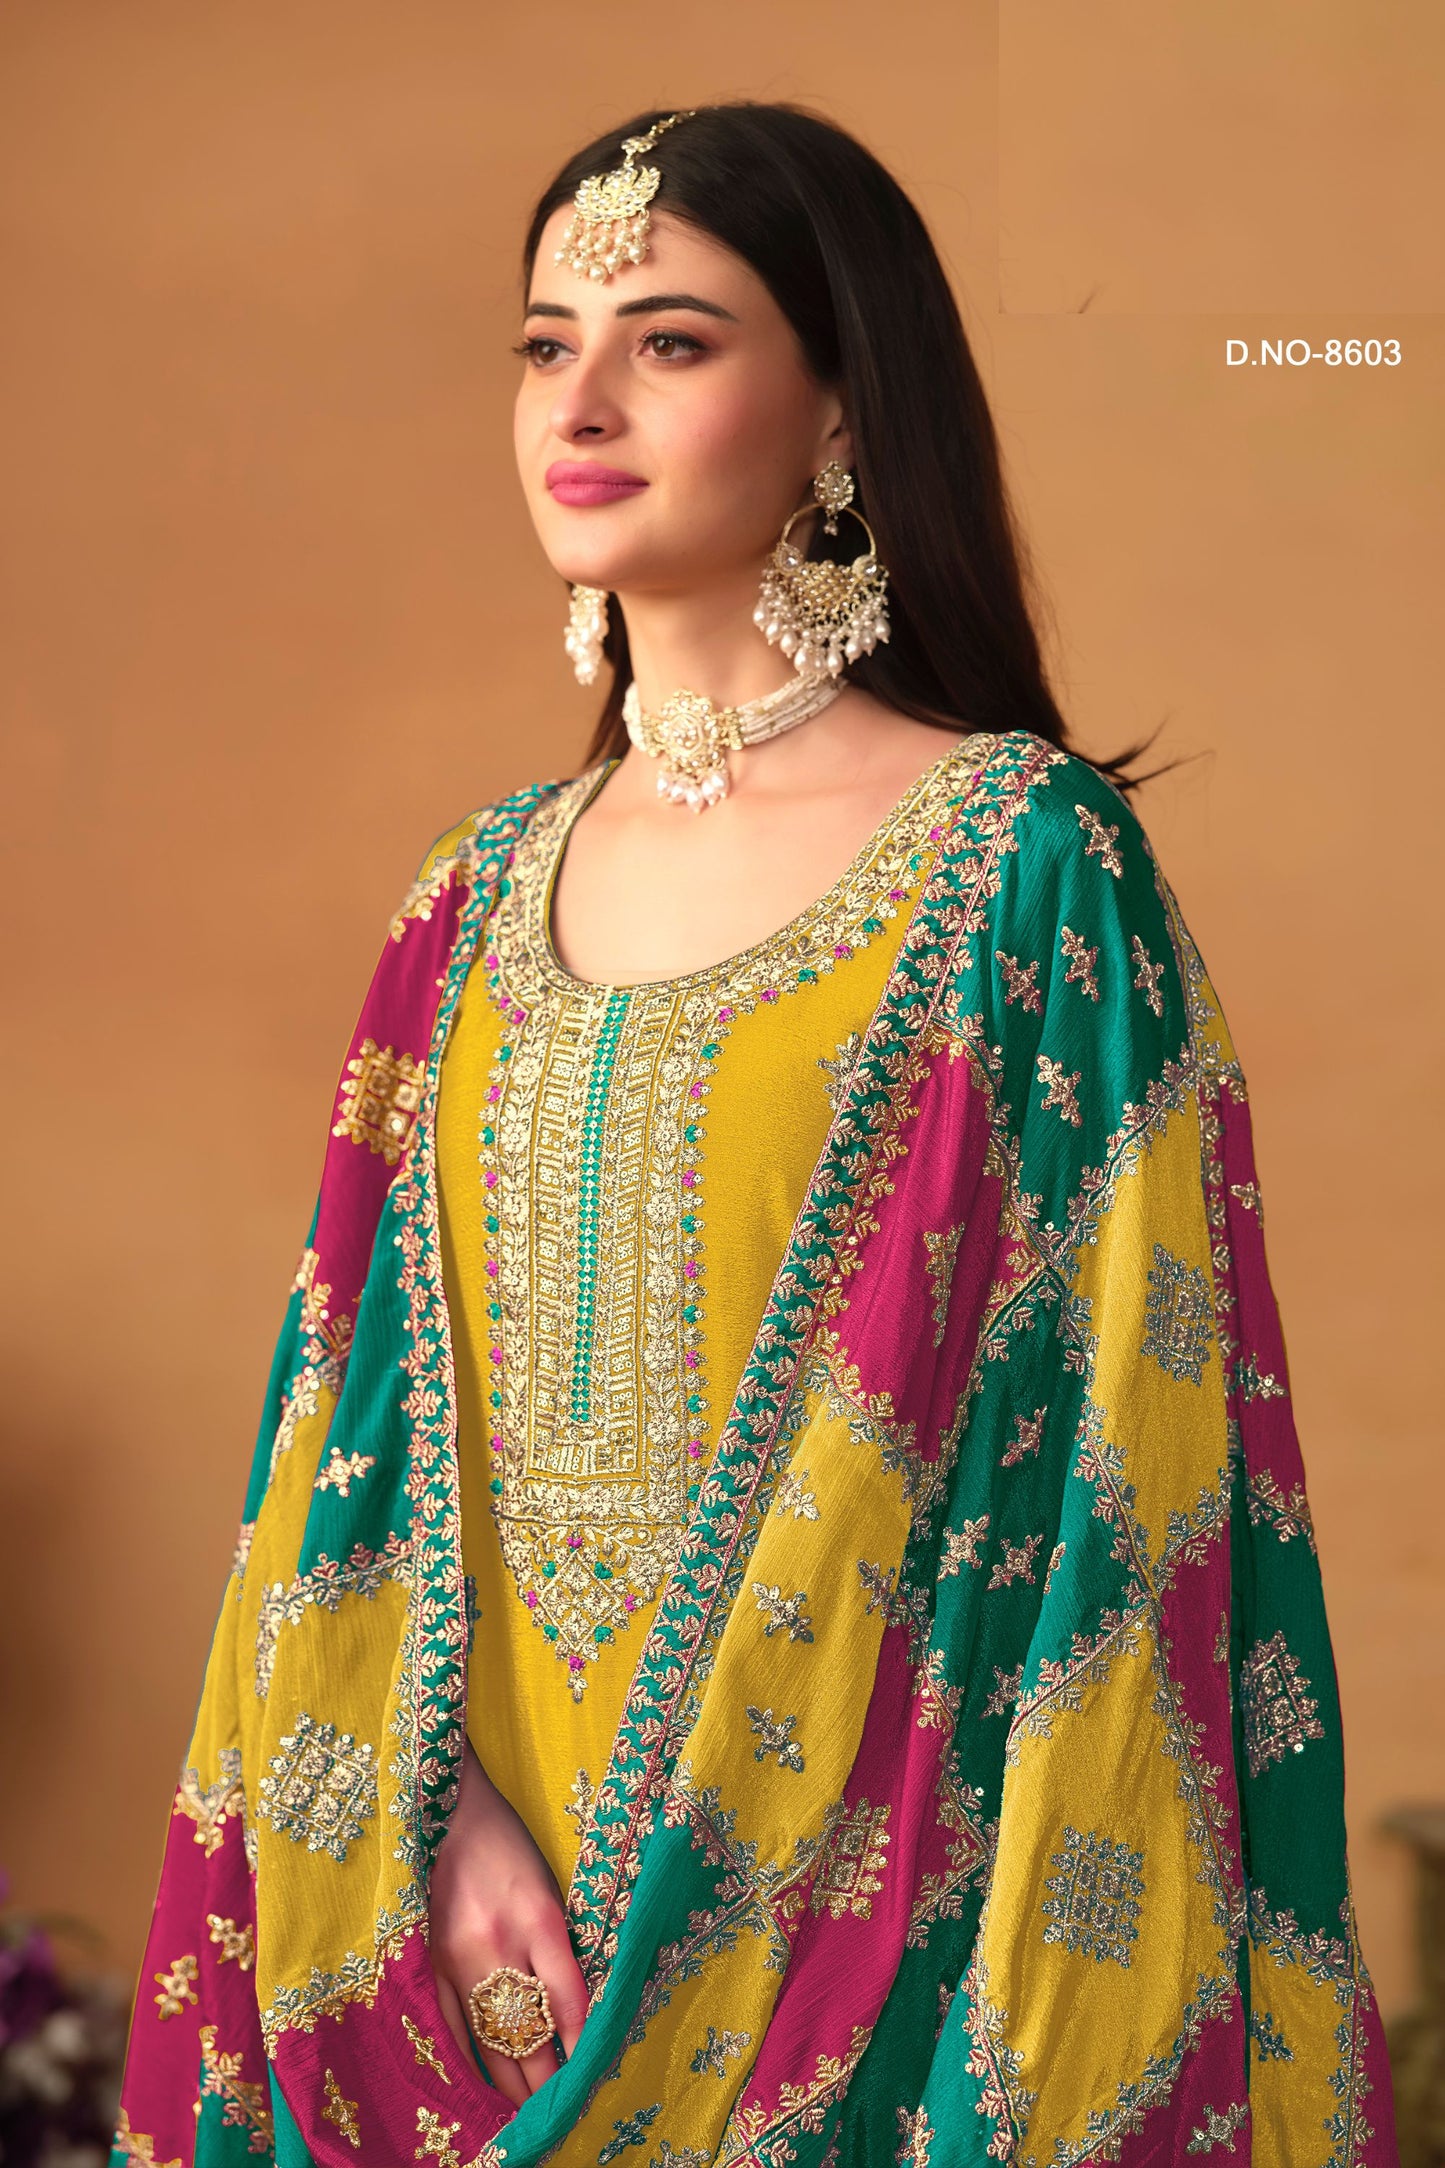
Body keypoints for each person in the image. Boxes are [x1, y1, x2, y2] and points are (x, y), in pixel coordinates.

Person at [112, 102, 1398, 2168]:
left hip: (894, 1961)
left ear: (840, 409)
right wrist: (435, 1812)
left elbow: (1125, 1475)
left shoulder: (1022, 870)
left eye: (672, 341)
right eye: (546, 345)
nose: (581, 403)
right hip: (463, 1963)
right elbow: (339, 1452)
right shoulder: (462, 905)